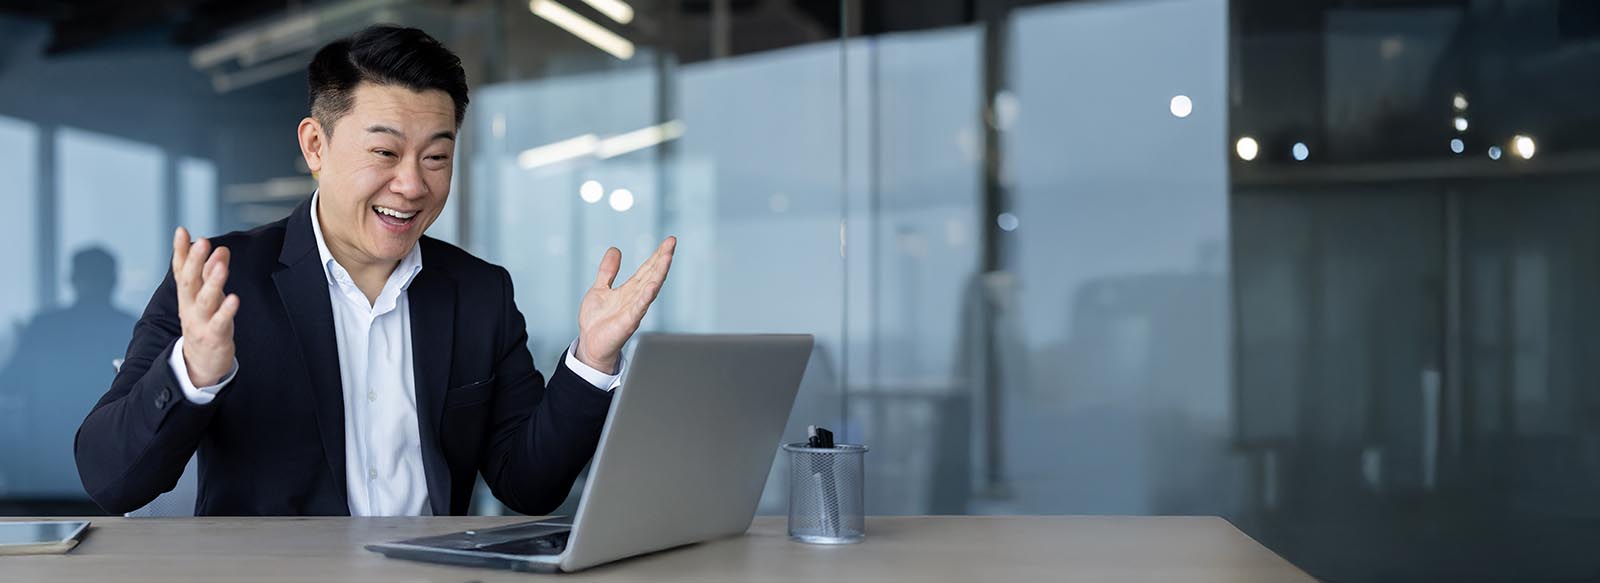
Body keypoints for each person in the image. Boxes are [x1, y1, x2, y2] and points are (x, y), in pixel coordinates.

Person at [74, 25, 675, 516]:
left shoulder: (478, 292)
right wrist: (194, 373)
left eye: (436, 156)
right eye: (385, 152)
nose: (412, 184)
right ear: (315, 146)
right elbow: (109, 480)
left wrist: (591, 361)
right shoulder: (222, 279)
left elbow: (528, 485)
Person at [0, 247, 137, 497]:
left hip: (44, 471)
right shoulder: (131, 327)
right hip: (112, 467)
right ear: (114, 281)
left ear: (72, 280)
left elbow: (11, 384)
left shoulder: (43, 327)